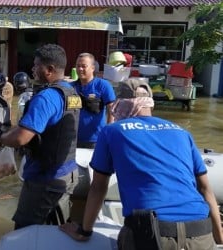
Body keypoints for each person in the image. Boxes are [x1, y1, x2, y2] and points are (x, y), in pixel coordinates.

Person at [60, 79, 223, 249]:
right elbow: (205, 189)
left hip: (151, 233)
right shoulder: (182, 132)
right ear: (150, 103)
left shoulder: (111, 131)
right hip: (201, 231)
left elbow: (98, 187)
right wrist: (219, 236)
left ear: (120, 103)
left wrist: (84, 231)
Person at [0, 44, 81, 229]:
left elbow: (22, 137)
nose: (33, 69)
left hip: (46, 179)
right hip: (67, 173)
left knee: (25, 231)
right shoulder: (71, 92)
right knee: (55, 229)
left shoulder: (46, 98)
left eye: (36, 65)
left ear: (50, 69)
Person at [71, 52, 115, 149]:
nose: (80, 69)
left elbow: (112, 110)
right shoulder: (71, 87)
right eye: (78, 66)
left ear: (92, 68)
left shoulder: (103, 85)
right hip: (72, 139)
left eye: (84, 66)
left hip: (95, 140)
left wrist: (108, 133)